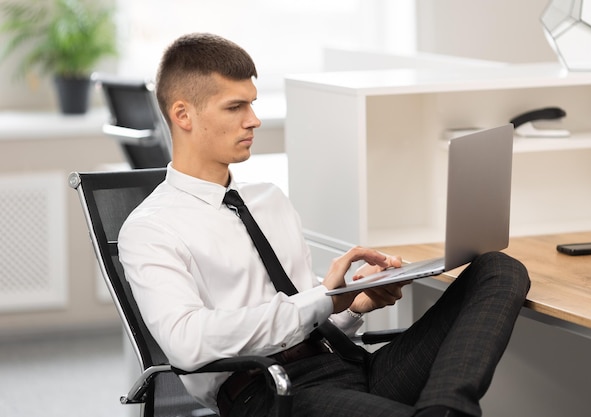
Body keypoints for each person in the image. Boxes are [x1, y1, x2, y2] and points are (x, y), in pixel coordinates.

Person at [118, 32, 530, 417]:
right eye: (235, 107)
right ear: (182, 115)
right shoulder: (151, 229)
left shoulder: (269, 200)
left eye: (253, 103)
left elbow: (306, 315)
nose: (254, 120)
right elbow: (188, 343)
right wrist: (321, 299)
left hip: (349, 365)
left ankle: (446, 408)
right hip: (268, 391)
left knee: (499, 268)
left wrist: (353, 302)